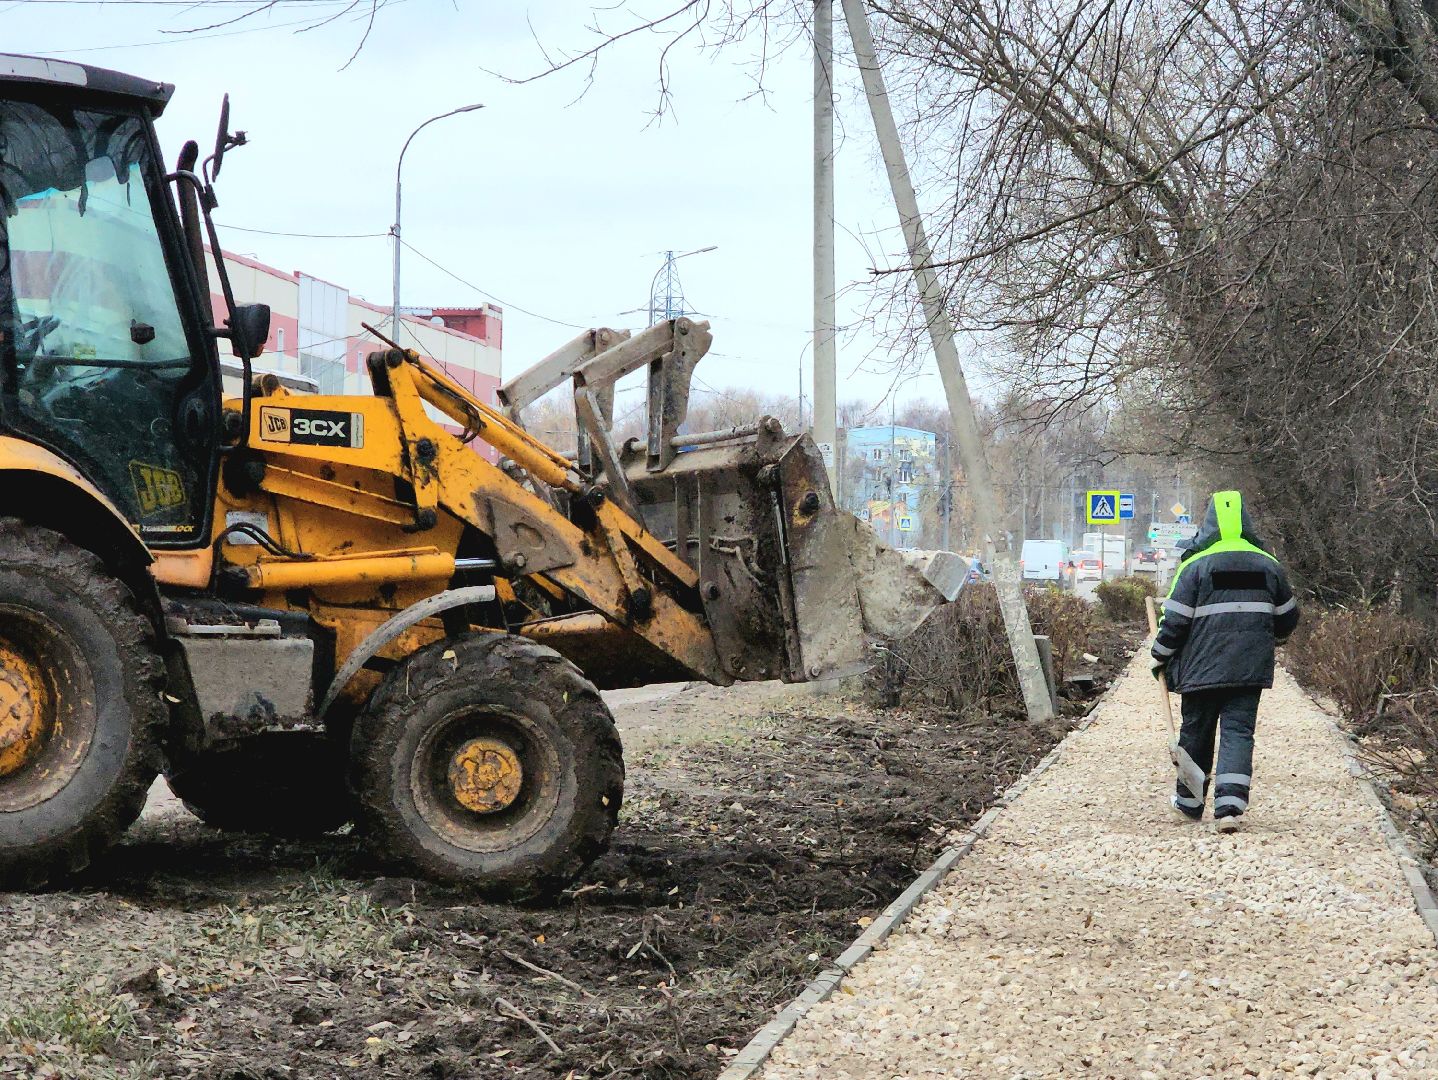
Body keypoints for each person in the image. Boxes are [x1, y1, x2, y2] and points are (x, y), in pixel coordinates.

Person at [1150, 491, 1298, 833]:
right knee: (1238, 732)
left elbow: (1174, 621)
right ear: (1246, 521)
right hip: (1248, 670)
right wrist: (1265, 635)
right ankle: (1229, 807)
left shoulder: (1194, 566)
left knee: (1195, 732)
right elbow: (1288, 618)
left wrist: (1159, 655)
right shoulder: (1268, 565)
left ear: (1209, 522)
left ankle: (1189, 805)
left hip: (1200, 670)